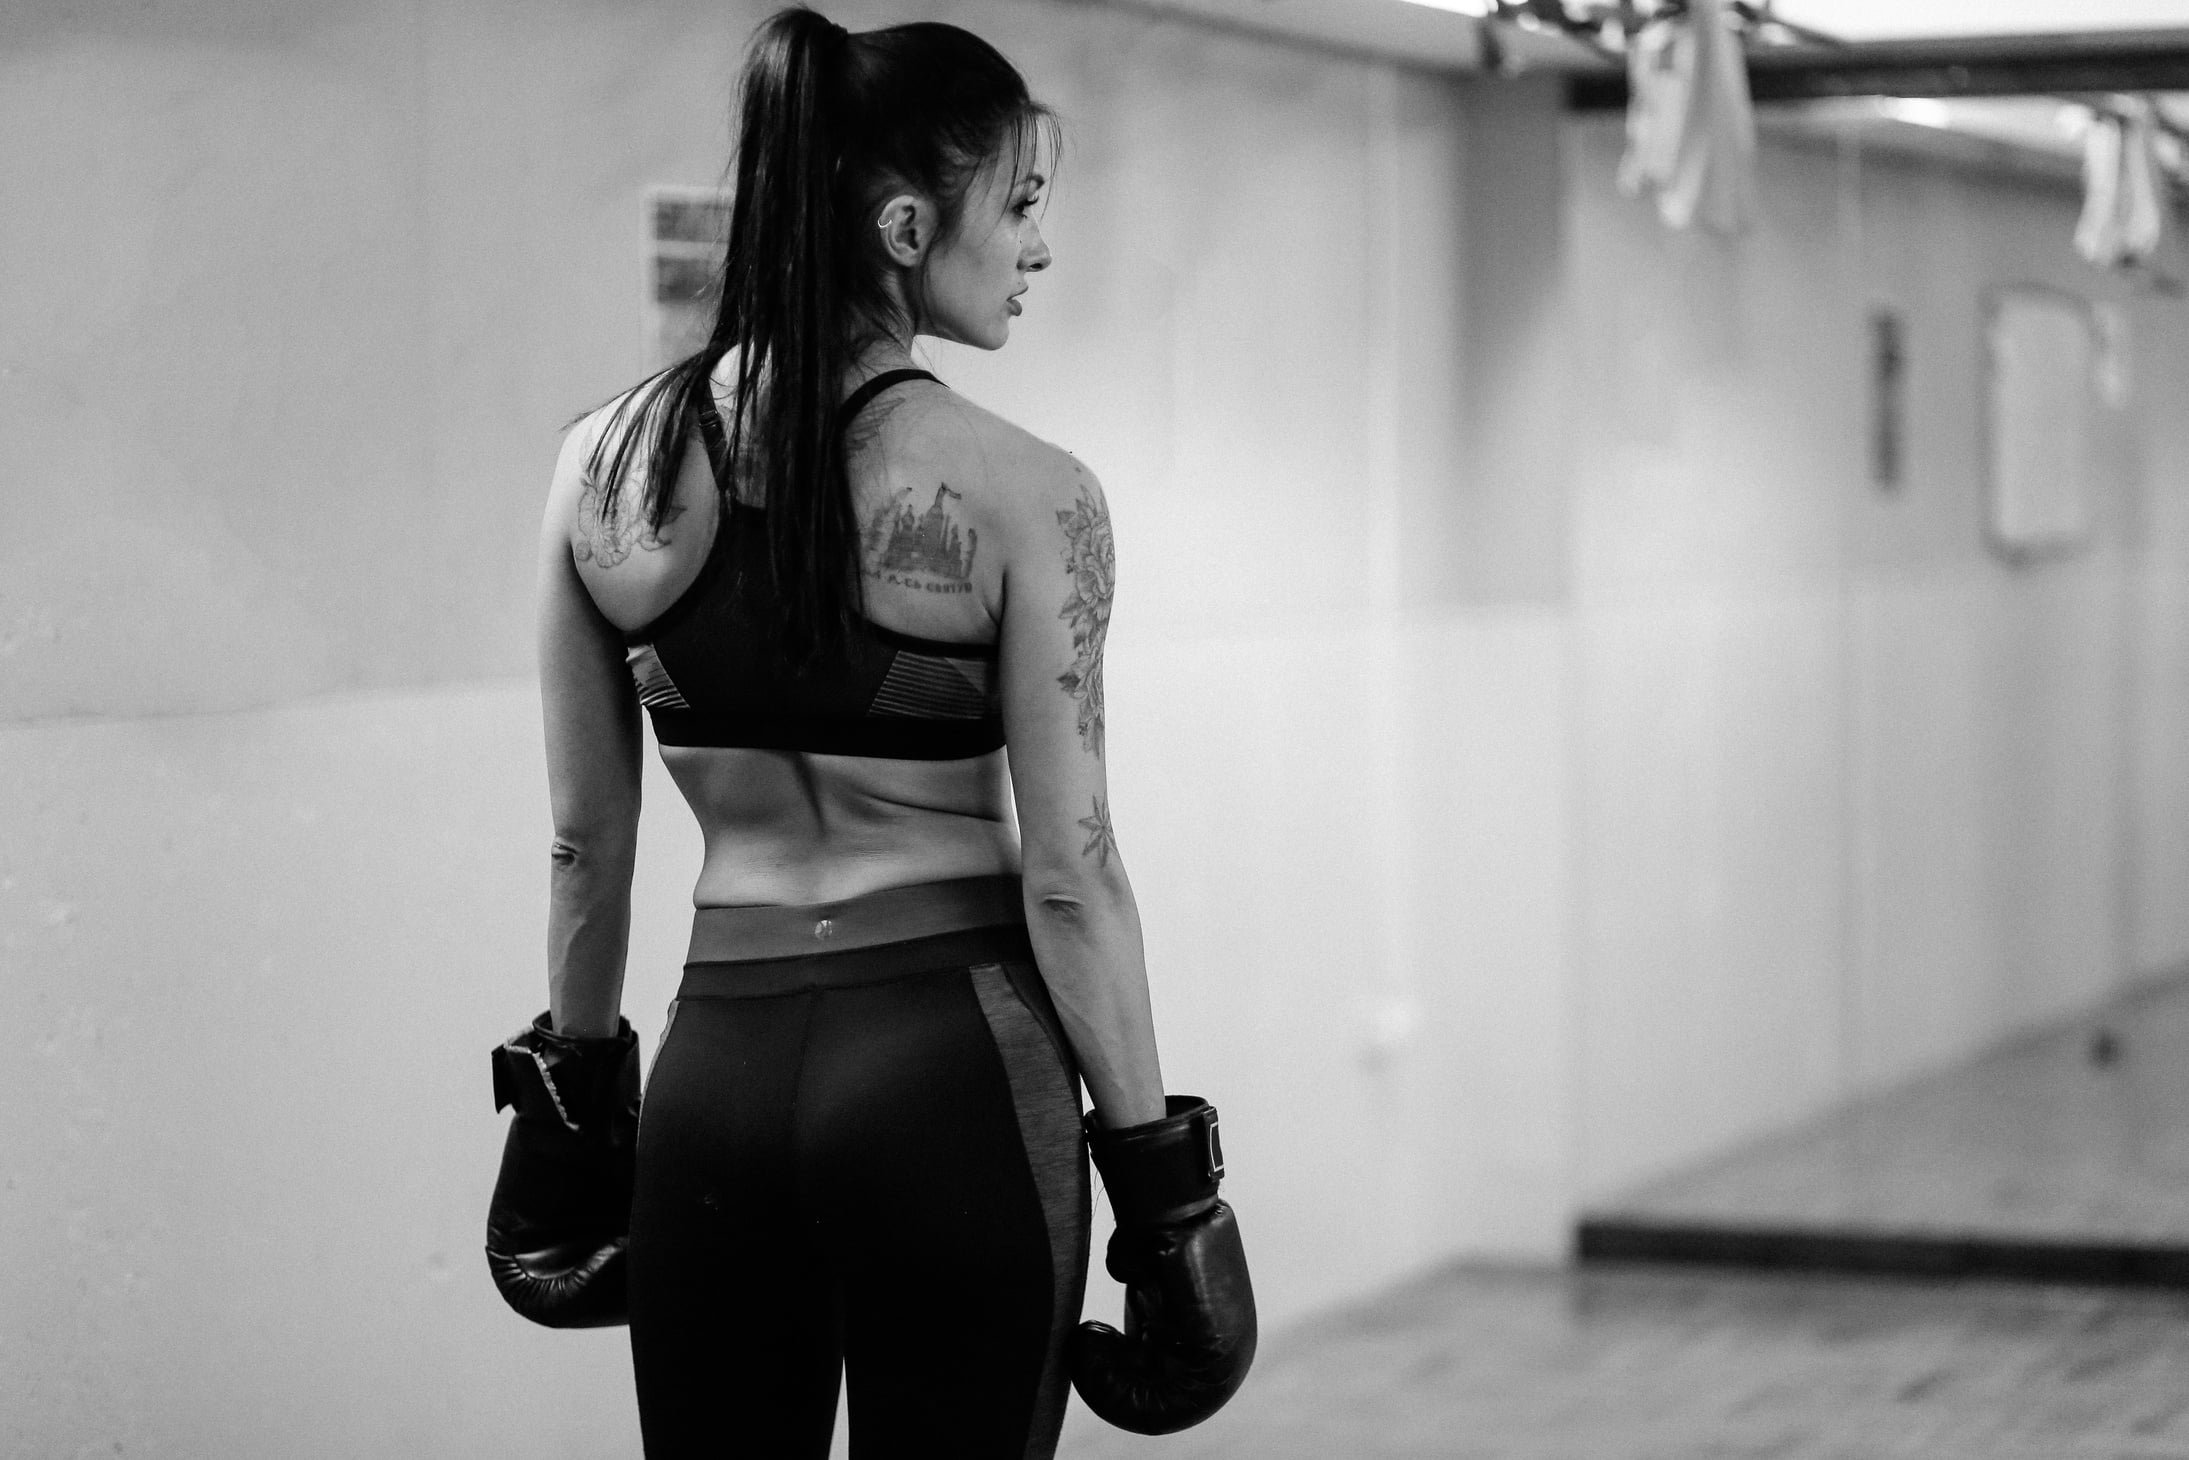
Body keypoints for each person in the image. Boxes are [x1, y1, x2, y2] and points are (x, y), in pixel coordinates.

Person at [499, 7, 1252, 1457]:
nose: (1039, 248)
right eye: (1020, 206)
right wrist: (1170, 1201)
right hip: (947, 1069)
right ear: (907, 227)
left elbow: (585, 846)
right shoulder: (1030, 493)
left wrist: (566, 1113)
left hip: (718, 1077)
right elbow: (1073, 877)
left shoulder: (600, 467)